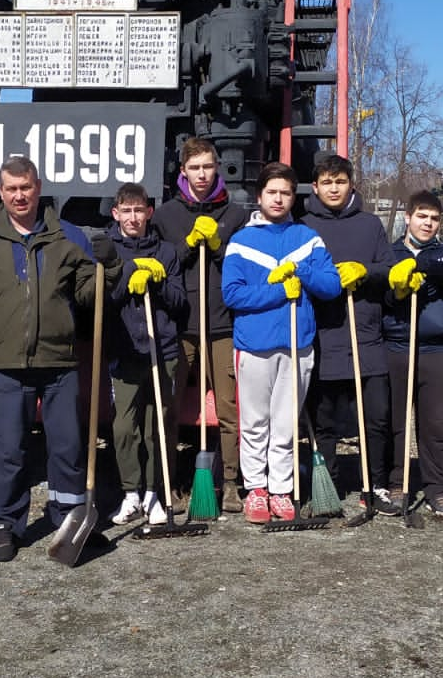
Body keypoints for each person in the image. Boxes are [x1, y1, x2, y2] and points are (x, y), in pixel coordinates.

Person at [0, 156, 121, 561]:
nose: (19, 196)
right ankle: (6, 523)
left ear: (38, 186)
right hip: (7, 365)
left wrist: (110, 266)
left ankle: (68, 518)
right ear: (0, 192)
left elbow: (89, 297)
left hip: (59, 362)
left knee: (66, 447)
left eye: (25, 187)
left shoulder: (68, 236)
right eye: (11, 189)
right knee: (10, 449)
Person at [221, 161, 341, 523]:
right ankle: (255, 489)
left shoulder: (307, 239)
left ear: (293, 197)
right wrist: (276, 291)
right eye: (271, 192)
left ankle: (281, 490)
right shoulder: (241, 242)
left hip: (297, 344)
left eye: (285, 192)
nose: (278, 198)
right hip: (254, 345)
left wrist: (301, 272)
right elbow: (233, 295)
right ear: (259, 196)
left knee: (286, 424)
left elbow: (332, 285)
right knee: (255, 423)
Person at [154, 137, 248, 509]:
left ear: (217, 168)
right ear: (183, 171)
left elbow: (242, 267)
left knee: (228, 409)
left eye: (208, 166)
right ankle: (169, 483)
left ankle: (228, 483)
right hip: (181, 326)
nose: (202, 174)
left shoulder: (236, 215)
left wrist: (220, 246)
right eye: (194, 168)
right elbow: (162, 265)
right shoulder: (166, 216)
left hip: (222, 323)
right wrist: (188, 245)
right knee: (171, 408)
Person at [300, 154, 393, 505]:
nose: (334, 188)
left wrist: (364, 271)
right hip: (323, 335)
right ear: (316, 186)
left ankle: (376, 484)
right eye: (327, 182)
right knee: (323, 422)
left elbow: (388, 268)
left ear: (351, 184)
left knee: (376, 418)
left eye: (340, 181)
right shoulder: (304, 226)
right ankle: (328, 486)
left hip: (365, 334)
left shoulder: (370, 225)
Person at [104, 183, 186, 526]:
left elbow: (181, 303)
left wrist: (159, 280)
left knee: (156, 428)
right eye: (127, 211)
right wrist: (126, 279)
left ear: (149, 213)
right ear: (116, 214)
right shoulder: (108, 251)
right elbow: (104, 302)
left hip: (162, 350)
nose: (133, 217)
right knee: (125, 429)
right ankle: (131, 494)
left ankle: (154, 493)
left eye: (140, 211)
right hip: (125, 353)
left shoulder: (166, 252)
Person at [380, 190, 443, 515]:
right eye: (421, 216)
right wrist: (397, 288)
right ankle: (398, 483)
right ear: (407, 216)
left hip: (439, 351)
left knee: (438, 424)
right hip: (399, 347)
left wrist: (418, 265)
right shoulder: (389, 254)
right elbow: (382, 296)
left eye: (433, 218)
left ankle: (438, 489)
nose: (427, 223)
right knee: (397, 422)